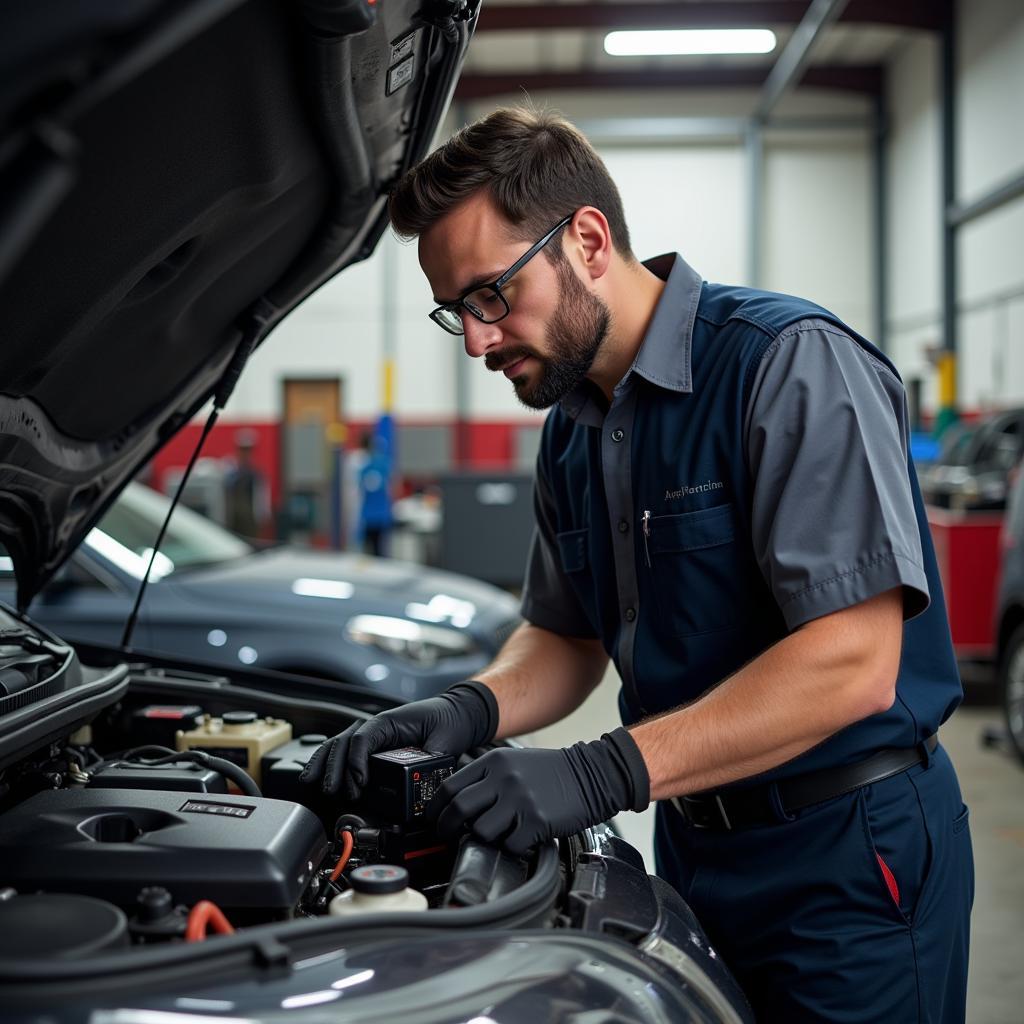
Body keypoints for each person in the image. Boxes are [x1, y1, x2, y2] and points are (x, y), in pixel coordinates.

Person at [302, 107, 973, 1021]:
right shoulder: (572, 432)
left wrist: (593, 775)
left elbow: (854, 661)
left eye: (491, 295)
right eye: (455, 310)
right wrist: (467, 708)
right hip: (694, 839)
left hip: (849, 855)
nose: (475, 341)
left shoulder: (786, 364)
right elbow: (565, 636)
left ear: (585, 239)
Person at [356, 430, 394, 557]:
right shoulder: (384, 464)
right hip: (380, 514)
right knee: (379, 550)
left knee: (370, 551)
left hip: (369, 514)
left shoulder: (363, 467)